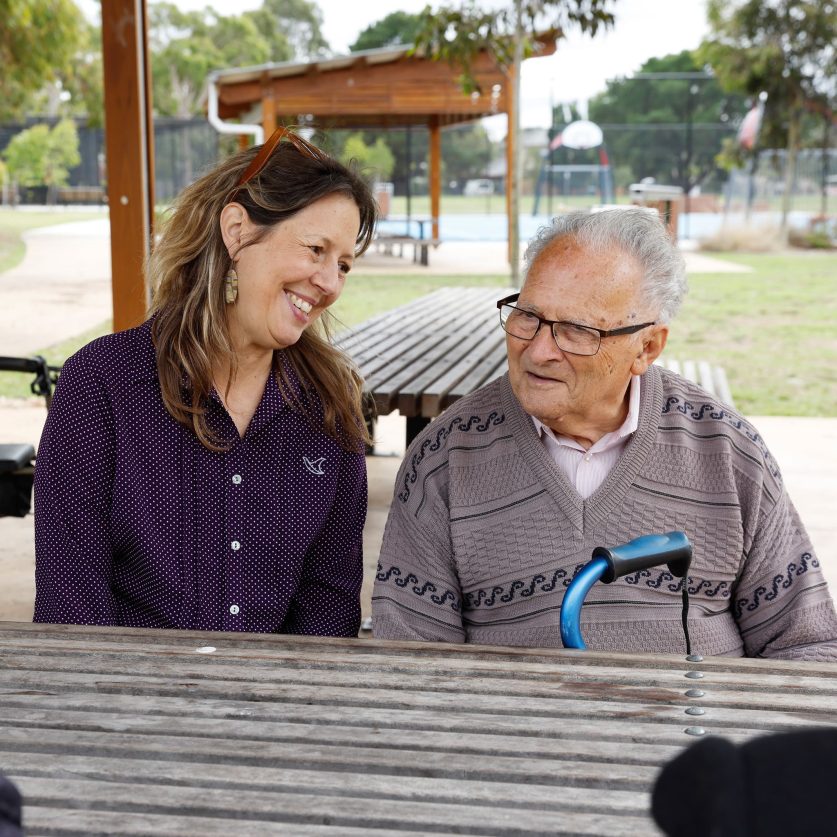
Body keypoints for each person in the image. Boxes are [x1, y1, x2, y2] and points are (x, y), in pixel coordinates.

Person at [372, 208, 837, 659]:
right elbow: (411, 660)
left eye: (577, 330)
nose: (538, 350)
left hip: (695, 712)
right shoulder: (444, 457)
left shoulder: (727, 450)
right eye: (527, 315)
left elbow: (805, 642)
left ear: (647, 347)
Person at [34, 126, 377, 636]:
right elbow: (71, 605)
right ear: (237, 231)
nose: (329, 283)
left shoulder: (329, 408)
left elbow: (327, 612)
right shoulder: (102, 384)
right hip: (124, 686)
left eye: (344, 265)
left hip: (277, 690)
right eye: (315, 249)